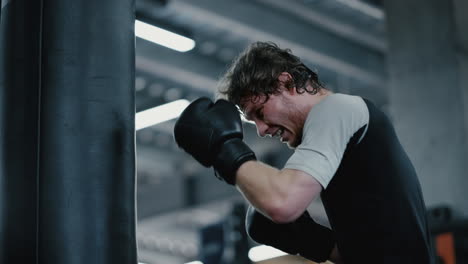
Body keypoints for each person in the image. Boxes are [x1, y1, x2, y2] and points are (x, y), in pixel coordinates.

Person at [174, 41, 434, 263]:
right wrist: (314, 239)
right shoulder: (341, 134)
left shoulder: (335, 110)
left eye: (261, 114)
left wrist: (225, 147)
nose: (262, 131)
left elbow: (281, 203)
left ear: (286, 83)